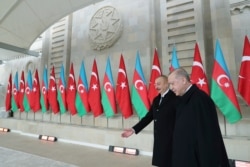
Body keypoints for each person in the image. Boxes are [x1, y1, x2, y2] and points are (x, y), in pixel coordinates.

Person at [168, 68, 230, 167]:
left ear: (183, 80)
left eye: (172, 83)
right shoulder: (182, 100)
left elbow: (207, 136)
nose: (171, 87)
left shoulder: (200, 99)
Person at [121, 75, 177, 167]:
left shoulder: (175, 98)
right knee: (162, 162)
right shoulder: (156, 100)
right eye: (155, 84)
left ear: (167, 84)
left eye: (159, 84)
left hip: (172, 139)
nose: (156, 86)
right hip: (159, 139)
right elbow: (148, 117)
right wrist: (133, 129)